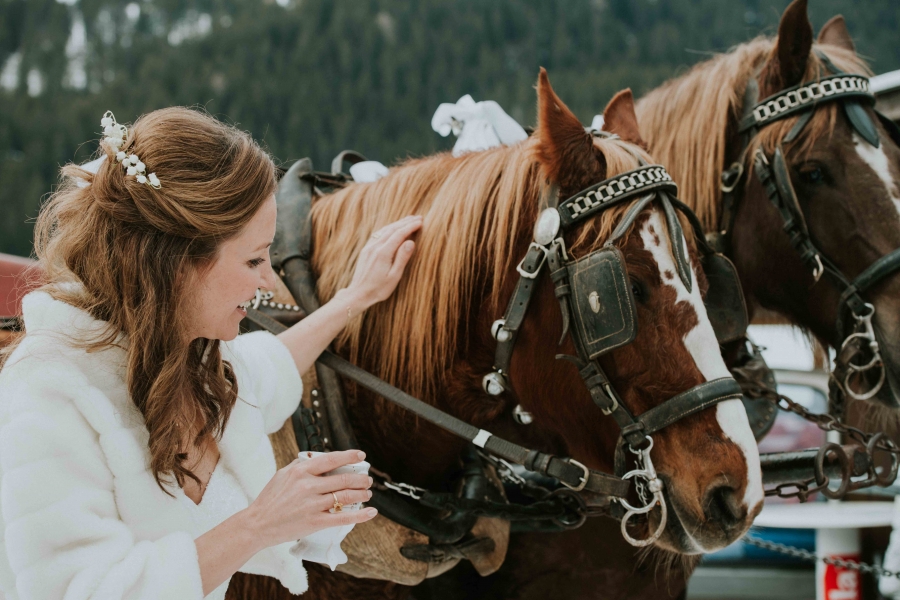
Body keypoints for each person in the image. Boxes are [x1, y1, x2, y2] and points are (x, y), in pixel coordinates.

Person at [0, 107, 422, 600]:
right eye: (252, 259)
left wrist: (357, 297)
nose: (267, 280)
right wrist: (261, 523)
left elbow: (273, 366)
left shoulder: (194, 359)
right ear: (177, 264)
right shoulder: (48, 393)